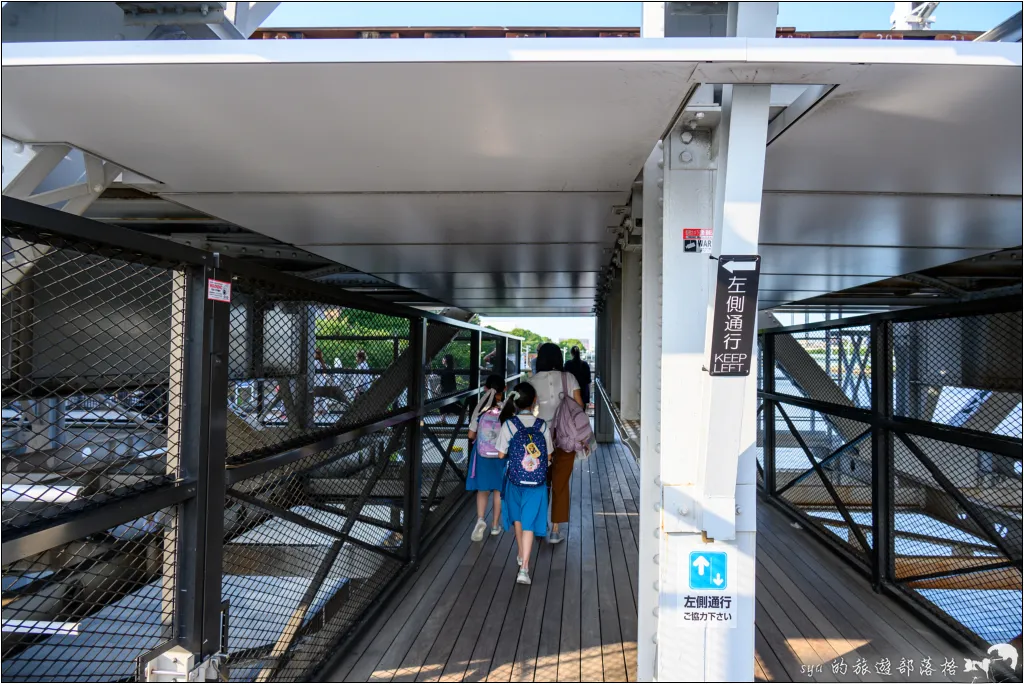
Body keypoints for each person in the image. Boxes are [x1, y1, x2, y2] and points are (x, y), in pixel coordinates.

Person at [496, 382, 551, 585]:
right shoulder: (542, 425)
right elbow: (550, 456)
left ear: (515, 401)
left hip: (514, 480)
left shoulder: (509, 425)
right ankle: (524, 568)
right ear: (534, 400)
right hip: (536, 483)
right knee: (528, 523)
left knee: (518, 519)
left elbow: (501, 454)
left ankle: (521, 554)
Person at [531, 342, 583, 544]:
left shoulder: (532, 380)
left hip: (539, 438)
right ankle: (555, 530)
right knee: (560, 483)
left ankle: (539, 525)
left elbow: (528, 407)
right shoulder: (569, 378)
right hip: (566, 437)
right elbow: (579, 406)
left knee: (541, 481)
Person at [466, 374, 506, 541]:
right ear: (504, 390)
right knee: (498, 490)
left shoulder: (480, 409)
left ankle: (481, 519)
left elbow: (470, 434)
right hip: (501, 454)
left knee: (482, 490)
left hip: (482, 454)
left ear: (486, 389)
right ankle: (495, 525)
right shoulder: (506, 408)